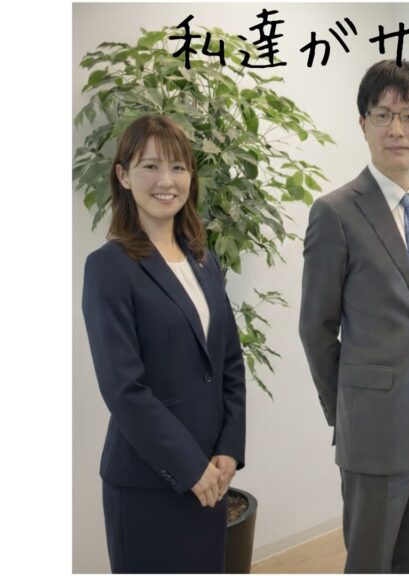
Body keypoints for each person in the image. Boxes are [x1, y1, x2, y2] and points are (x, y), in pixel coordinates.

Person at [298, 59, 409, 574]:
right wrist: (347, 409)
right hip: (372, 427)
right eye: (383, 115)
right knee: (369, 561)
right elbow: (316, 328)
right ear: (363, 123)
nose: (397, 129)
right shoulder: (335, 213)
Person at [82, 115, 246, 573]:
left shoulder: (204, 260)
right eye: (150, 166)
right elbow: (124, 388)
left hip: (211, 477)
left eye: (177, 167)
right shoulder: (108, 267)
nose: (166, 181)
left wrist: (229, 448)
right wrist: (190, 467)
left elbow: (229, 362)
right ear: (123, 175)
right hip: (149, 484)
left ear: (191, 177)